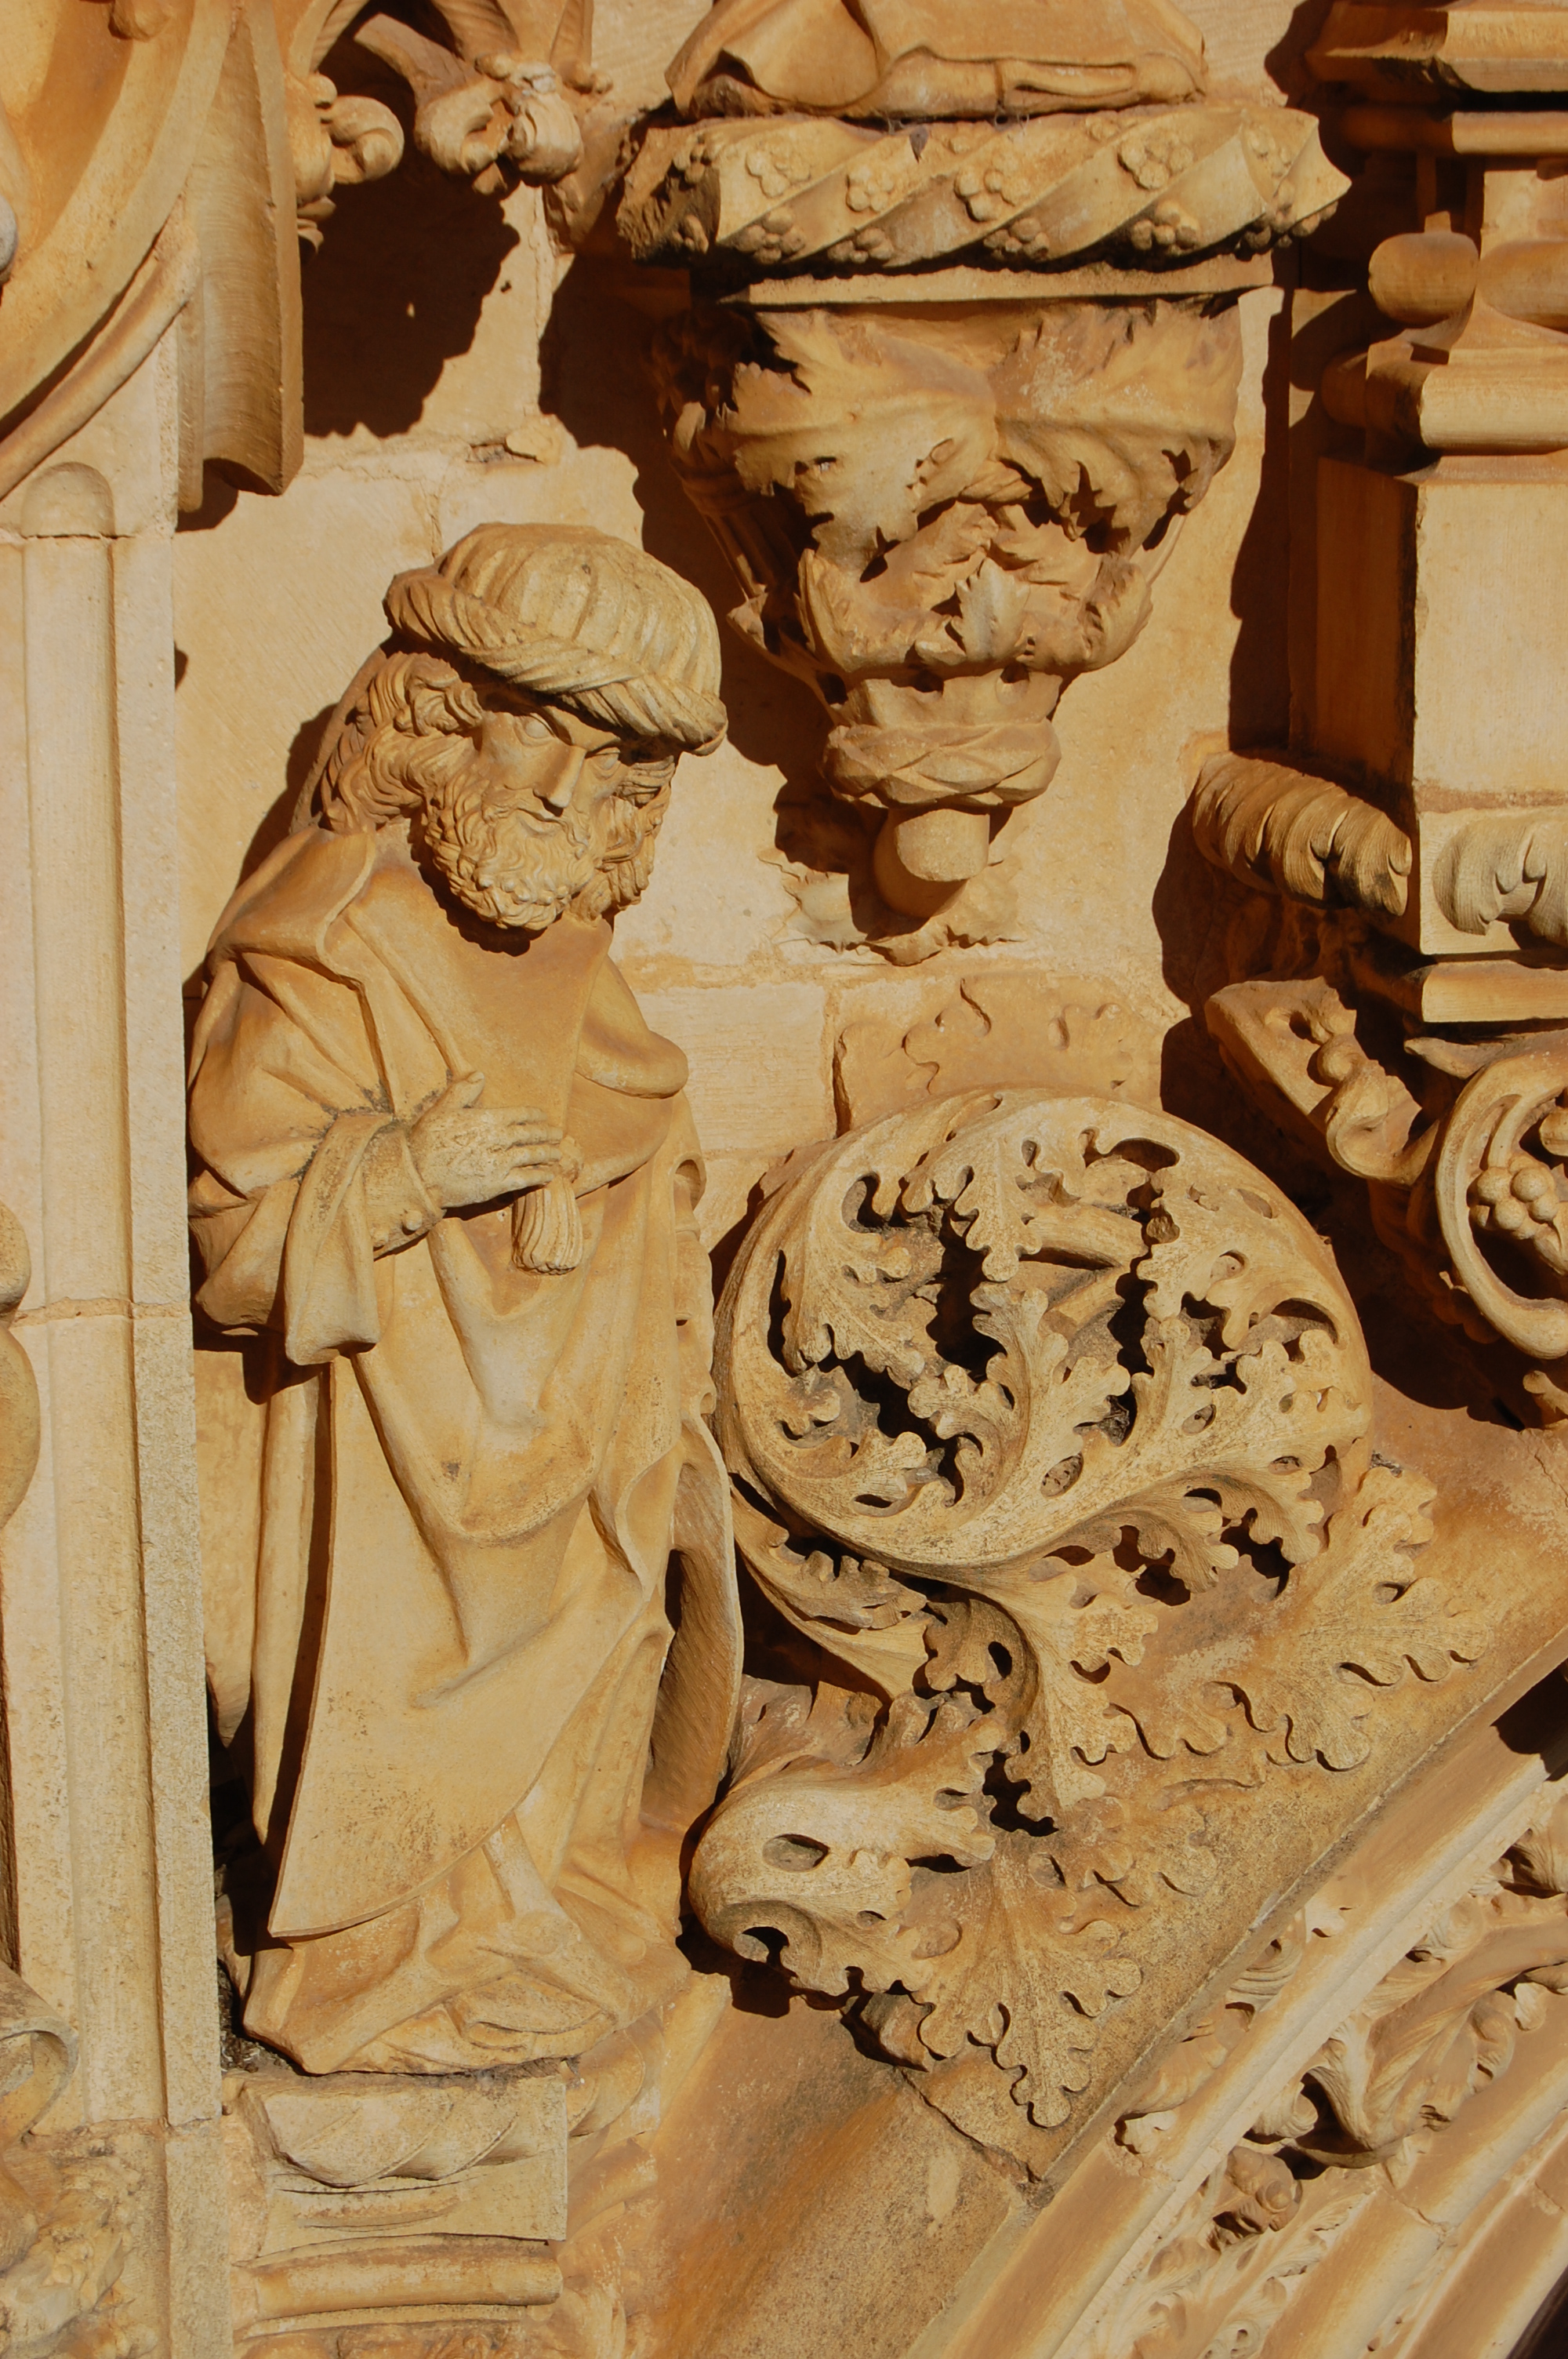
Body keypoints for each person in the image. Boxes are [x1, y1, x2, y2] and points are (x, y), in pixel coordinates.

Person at [189, 524, 739, 2075]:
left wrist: (607, 1181)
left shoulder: (566, 942)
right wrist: (402, 1173)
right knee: (393, 1726)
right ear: (437, 718)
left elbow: (621, 1101)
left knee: (587, 1639)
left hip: (557, 1419)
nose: (587, 804)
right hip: (375, 1453)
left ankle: (505, 1926)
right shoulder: (328, 932)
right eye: (557, 747)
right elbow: (226, 1219)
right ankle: (365, 1968)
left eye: (631, 777)